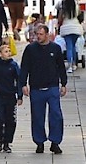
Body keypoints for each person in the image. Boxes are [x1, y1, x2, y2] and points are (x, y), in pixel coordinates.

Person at [20, 24, 67, 154]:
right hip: (36, 87)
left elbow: (61, 67)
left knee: (56, 115)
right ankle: (39, 142)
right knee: (37, 116)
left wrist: (63, 84)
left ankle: (55, 141)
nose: (38, 37)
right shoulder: (30, 49)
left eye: (41, 34)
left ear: (47, 34)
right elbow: (24, 67)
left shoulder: (55, 48)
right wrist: (23, 84)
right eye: (37, 34)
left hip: (52, 86)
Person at [0, 44, 23, 153]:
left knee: (10, 120)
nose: (9, 53)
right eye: (6, 51)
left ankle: (7, 142)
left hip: (10, 95)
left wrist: (19, 96)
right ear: (0, 54)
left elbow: (19, 80)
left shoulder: (13, 65)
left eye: (9, 51)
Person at [58, 0, 83, 73]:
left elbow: (60, 18)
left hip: (66, 27)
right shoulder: (76, 5)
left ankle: (70, 65)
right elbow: (79, 15)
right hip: (76, 27)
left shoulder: (63, 5)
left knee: (69, 46)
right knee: (73, 46)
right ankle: (74, 64)